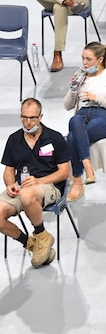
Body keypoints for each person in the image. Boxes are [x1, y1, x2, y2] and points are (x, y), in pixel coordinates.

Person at [0, 98, 71, 268]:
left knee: (27, 194)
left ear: (40, 117)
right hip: (21, 186)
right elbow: (9, 171)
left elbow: (64, 172)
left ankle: (40, 233)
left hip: (49, 186)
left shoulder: (54, 138)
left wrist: (39, 181)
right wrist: (10, 184)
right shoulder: (14, 139)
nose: (28, 122)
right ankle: (32, 244)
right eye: (24, 117)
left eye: (32, 118)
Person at [63, 42, 106, 202]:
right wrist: (73, 89)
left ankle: (78, 181)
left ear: (100, 60)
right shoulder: (81, 75)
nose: (84, 63)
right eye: (83, 58)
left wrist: (96, 98)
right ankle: (87, 168)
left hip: (103, 116)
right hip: (83, 114)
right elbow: (67, 105)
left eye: (89, 59)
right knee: (74, 119)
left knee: (72, 138)